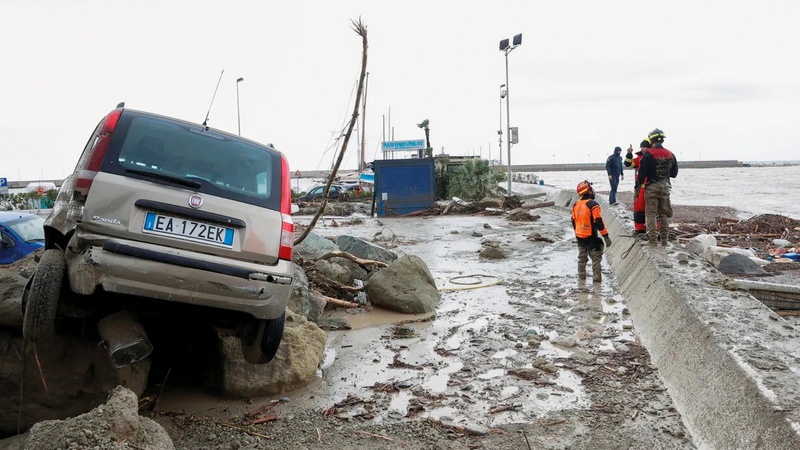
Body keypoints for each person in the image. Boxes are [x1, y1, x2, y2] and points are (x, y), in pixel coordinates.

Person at [634, 128, 678, 246]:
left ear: (651, 140)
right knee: (663, 214)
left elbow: (642, 174)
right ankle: (664, 240)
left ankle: (652, 240)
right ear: (662, 140)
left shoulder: (649, 154)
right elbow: (674, 174)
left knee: (651, 213)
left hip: (652, 188)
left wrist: (637, 189)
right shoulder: (670, 154)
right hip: (665, 187)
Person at [572, 181, 613, 282]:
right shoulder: (593, 205)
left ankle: (581, 279)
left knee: (582, 258)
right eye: (591, 189)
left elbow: (573, 221)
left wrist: (577, 233)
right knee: (596, 258)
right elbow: (598, 221)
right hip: (591, 236)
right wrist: (606, 236)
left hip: (580, 236)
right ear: (589, 192)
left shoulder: (576, 204)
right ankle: (597, 280)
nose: (593, 191)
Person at [624, 139, 652, 234]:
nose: (644, 149)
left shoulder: (654, 157)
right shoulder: (639, 158)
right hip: (640, 188)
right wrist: (629, 154)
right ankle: (640, 229)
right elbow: (628, 163)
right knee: (639, 209)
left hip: (652, 187)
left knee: (654, 209)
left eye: (646, 147)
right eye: (643, 147)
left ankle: (657, 230)